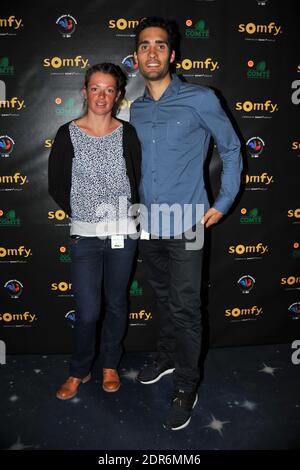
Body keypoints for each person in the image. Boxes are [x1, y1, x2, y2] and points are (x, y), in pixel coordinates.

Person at [130, 17, 242, 430]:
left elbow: (231, 149)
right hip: (147, 224)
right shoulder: (135, 108)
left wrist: (225, 199)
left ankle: (186, 384)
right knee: (163, 298)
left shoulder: (201, 98)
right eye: (144, 46)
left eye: (160, 45)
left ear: (173, 54)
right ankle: (165, 354)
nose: (152, 52)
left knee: (186, 306)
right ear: (137, 56)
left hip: (189, 222)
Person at [48, 63, 141, 400]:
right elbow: (56, 185)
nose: (102, 96)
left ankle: (110, 365)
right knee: (88, 311)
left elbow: (138, 179)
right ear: (85, 91)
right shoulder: (66, 132)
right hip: (84, 236)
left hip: (123, 235)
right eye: (96, 88)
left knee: (116, 303)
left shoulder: (127, 134)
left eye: (109, 89)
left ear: (118, 95)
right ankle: (79, 370)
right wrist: (86, 216)